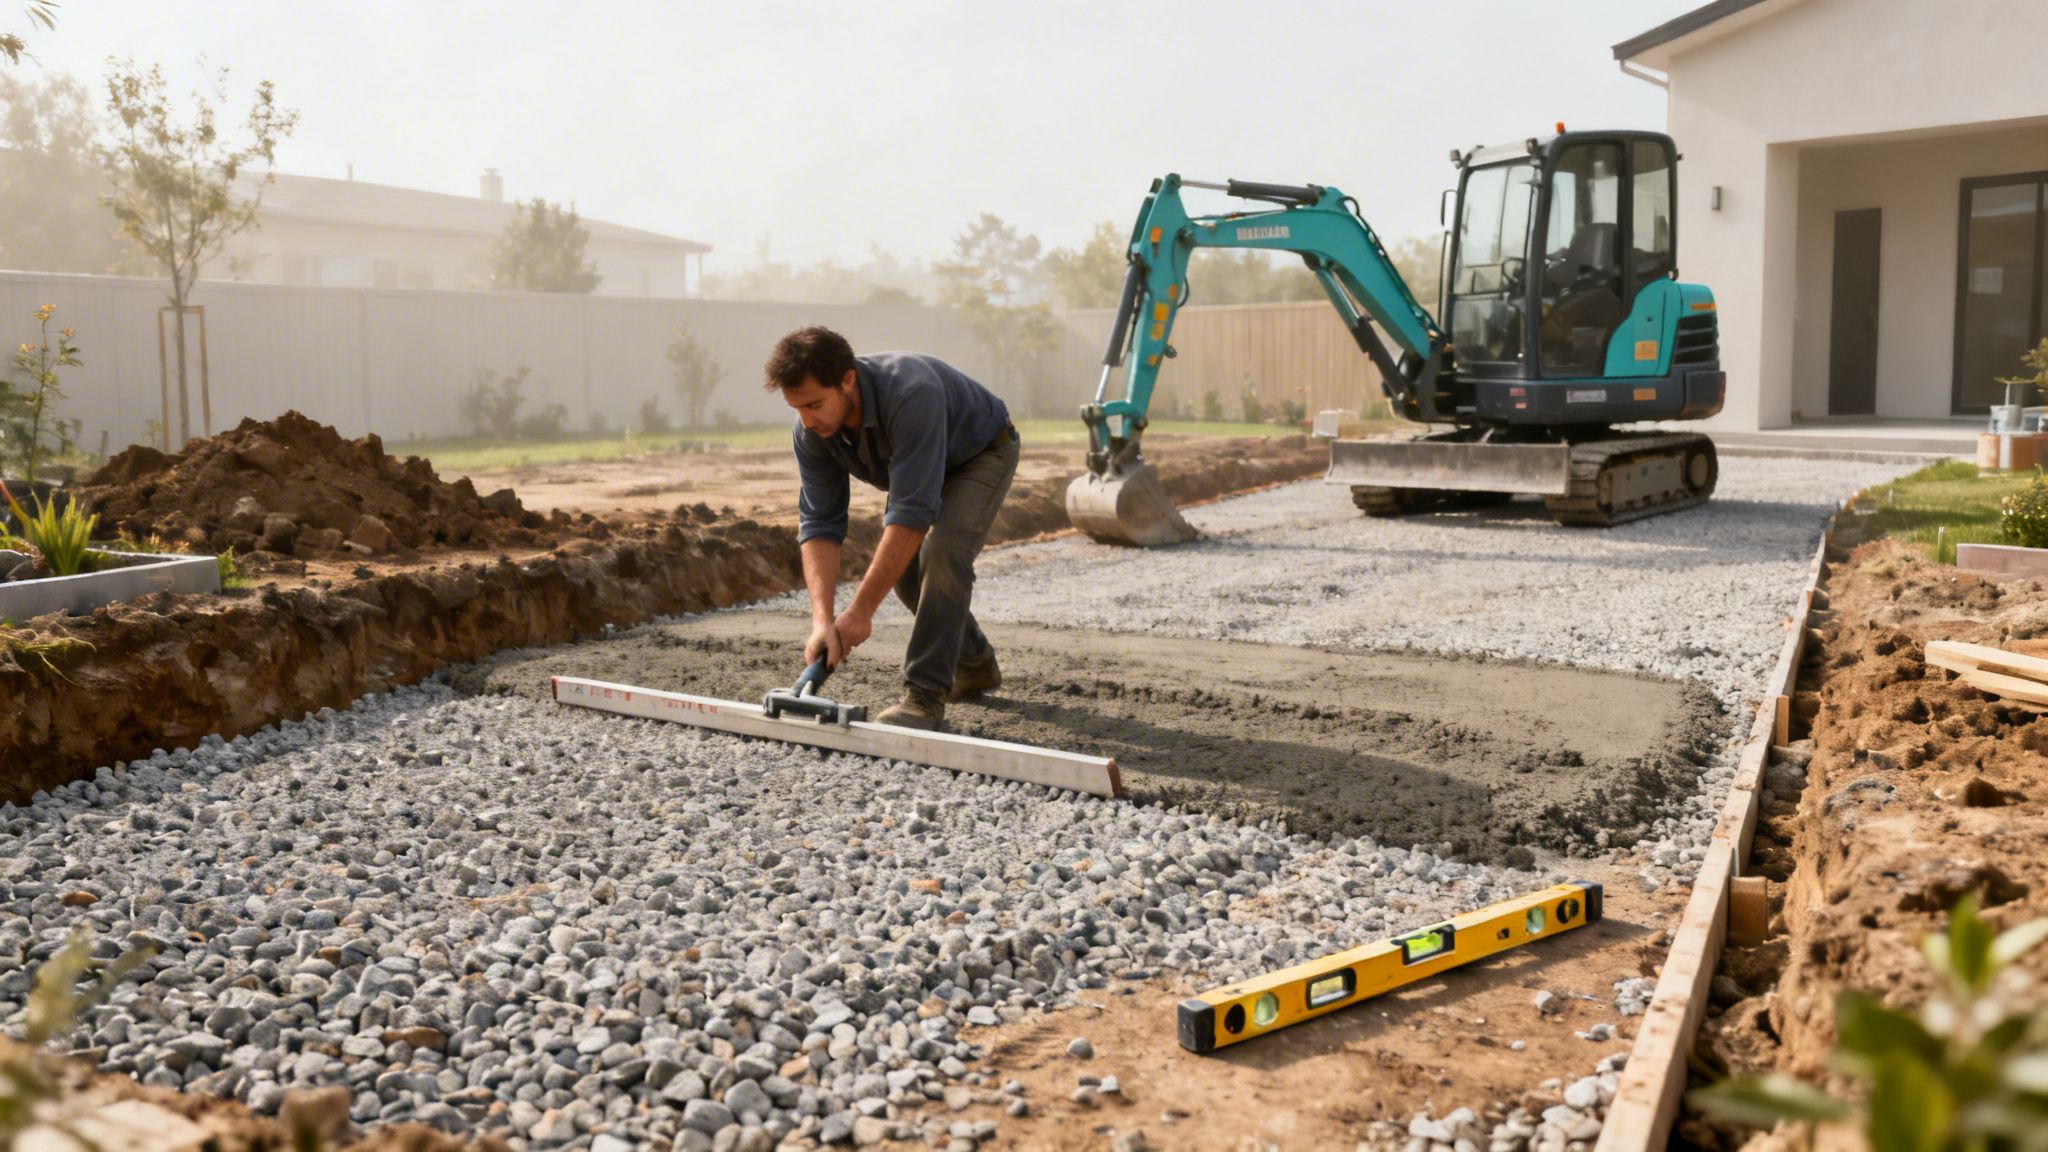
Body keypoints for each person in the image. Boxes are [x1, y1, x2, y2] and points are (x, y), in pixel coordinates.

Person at [765, 325, 1018, 730]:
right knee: (904, 575)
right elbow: (819, 525)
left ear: (847, 379)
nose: (806, 420)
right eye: (797, 408)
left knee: (943, 553)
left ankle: (925, 697)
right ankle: (974, 663)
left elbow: (910, 515)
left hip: (978, 454)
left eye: (814, 404)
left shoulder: (911, 395)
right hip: (922, 465)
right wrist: (823, 622)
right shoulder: (812, 433)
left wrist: (860, 613)